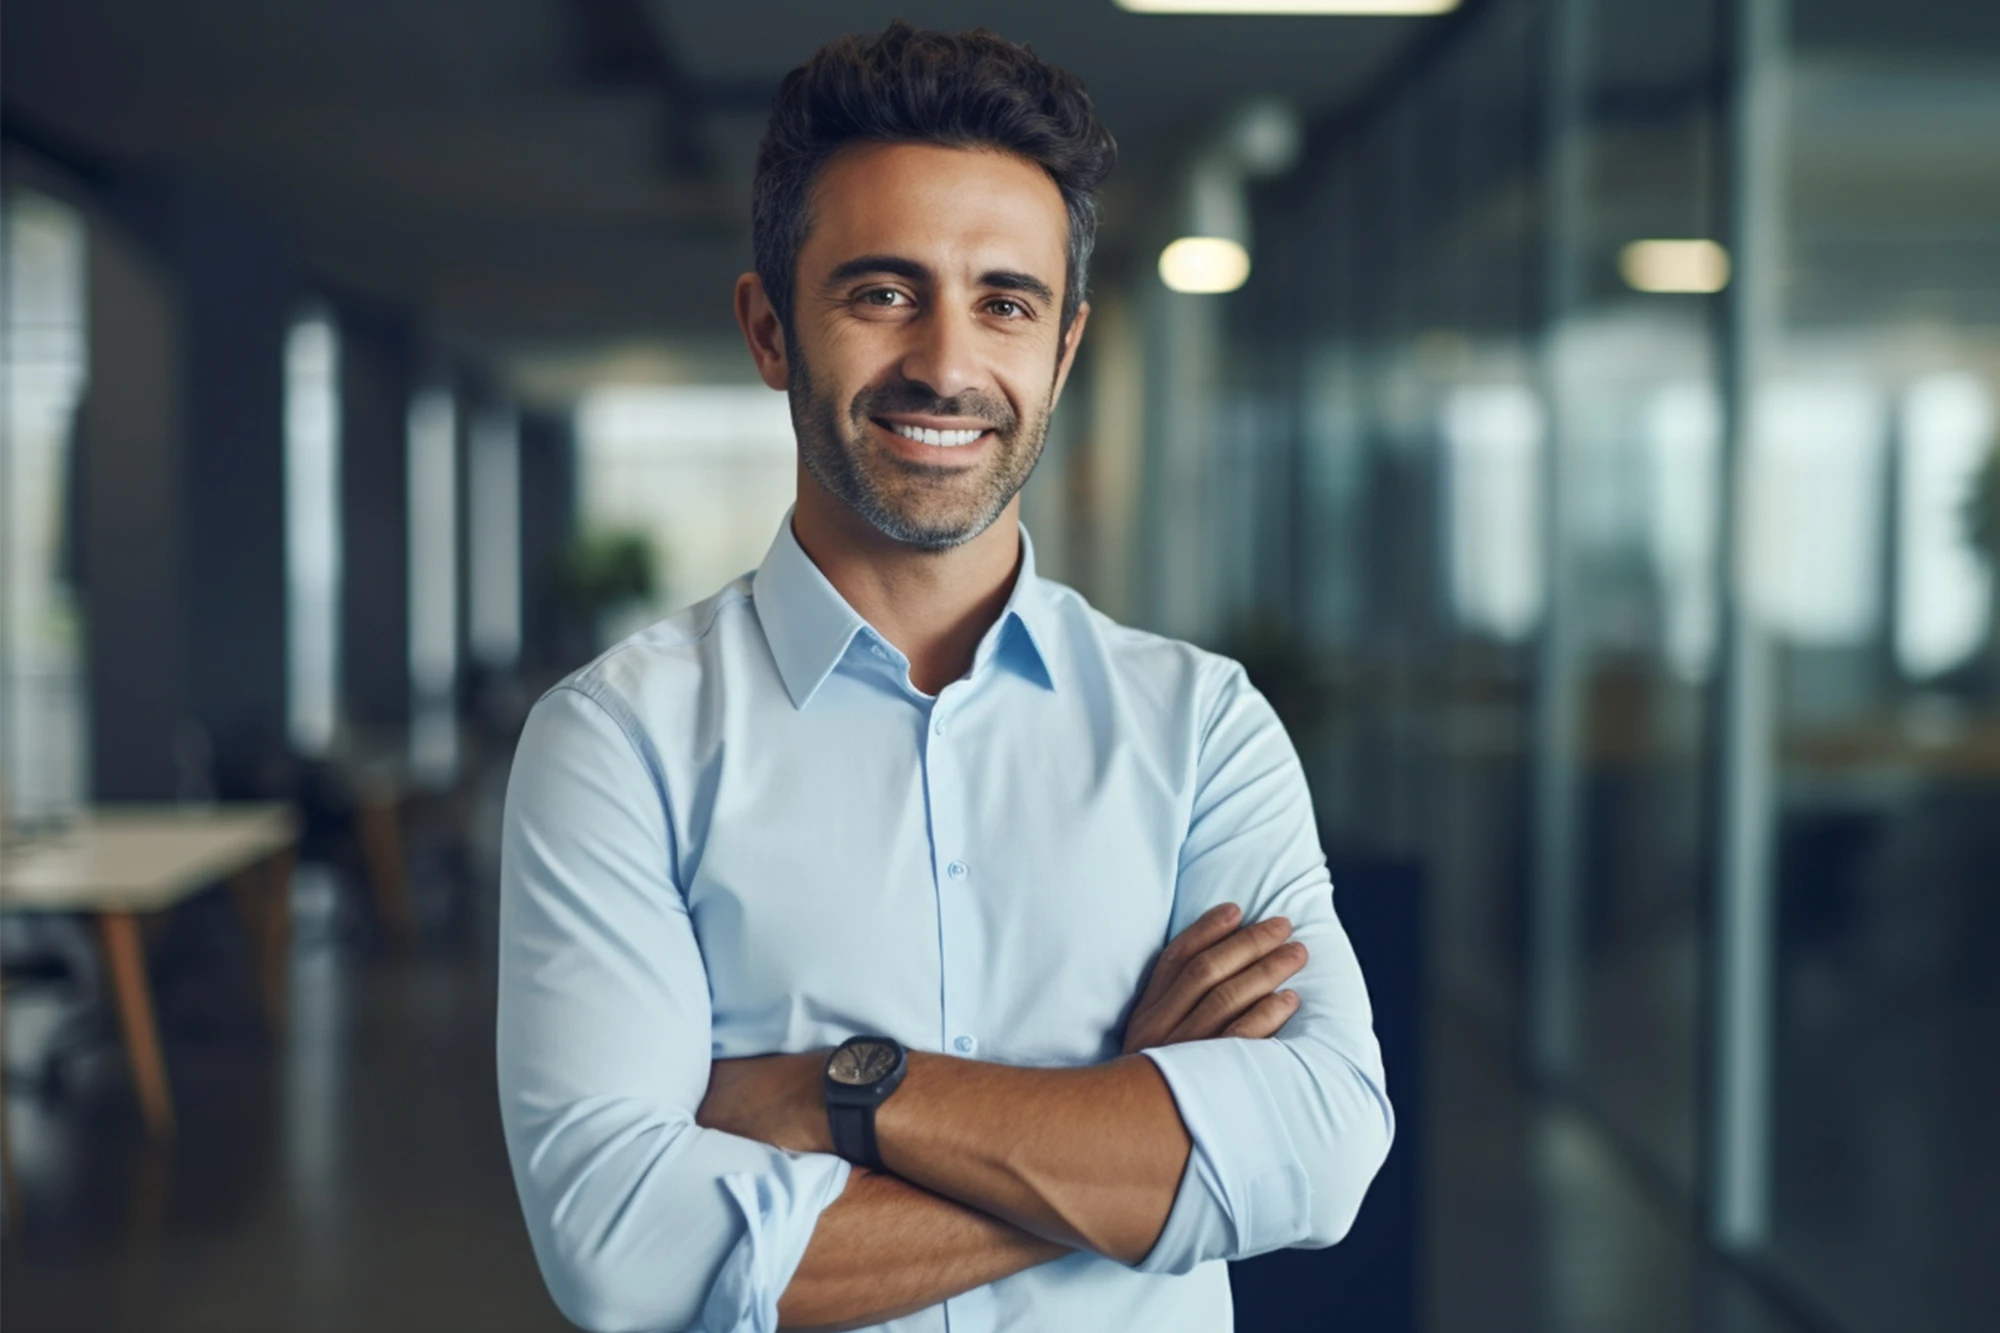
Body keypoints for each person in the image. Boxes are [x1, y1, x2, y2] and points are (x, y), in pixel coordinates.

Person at [497, 22, 1392, 1333]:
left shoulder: (1202, 729)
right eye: (881, 292)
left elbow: (1316, 1153)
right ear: (768, 327)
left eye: (1005, 303)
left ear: (1064, 352)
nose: (947, 364)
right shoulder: (616, 743)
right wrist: (1124, 1132)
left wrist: (850, 1093)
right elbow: (624, 1248)